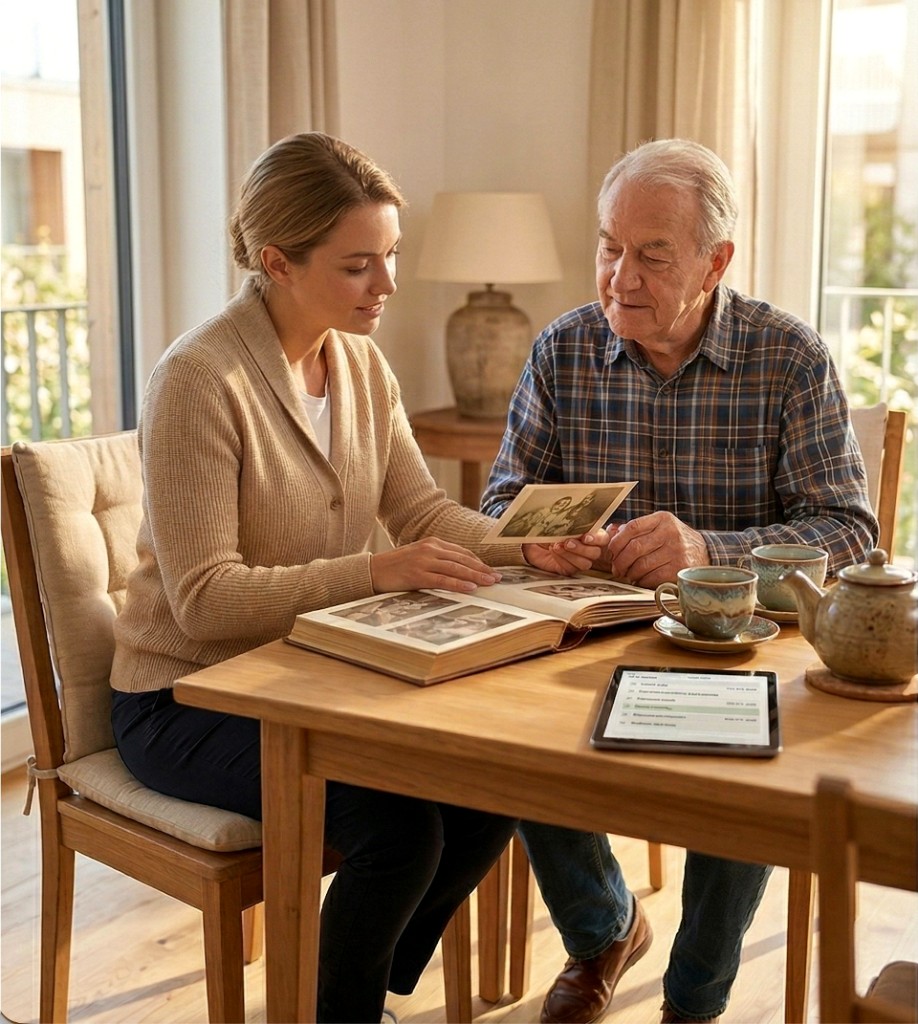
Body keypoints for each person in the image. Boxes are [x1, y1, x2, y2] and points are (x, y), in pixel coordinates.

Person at [109, 132, 608, 1024]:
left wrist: (517, 547)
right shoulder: (197, 379)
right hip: (187, 696)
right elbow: (206, 598)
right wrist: (374, 569)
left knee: (489, 783)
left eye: (391, 258)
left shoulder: (360, 362)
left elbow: (421, 513)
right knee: (398, 831)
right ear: (277, 263)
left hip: (308, 676)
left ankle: (355, 987)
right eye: (357, 266)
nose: (386, 286)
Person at [481, 137, 878, 1024]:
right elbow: (499, 502)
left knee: (750, 779)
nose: (620, 274)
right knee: (501, 742)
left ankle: (695, 998)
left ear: (716, 261)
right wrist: (536, 542)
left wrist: (709, 549)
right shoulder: (563, 350)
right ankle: (603, 932)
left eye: (652, 254)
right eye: (608, 246)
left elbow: (851, 534)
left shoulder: (789, 358)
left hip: (737, 653)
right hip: (585, 637)